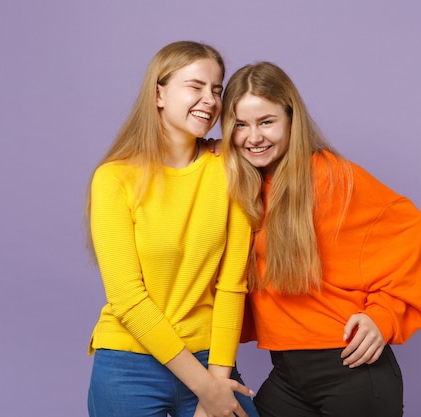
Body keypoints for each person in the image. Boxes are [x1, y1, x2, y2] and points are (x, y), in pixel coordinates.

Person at [220, 62, 421, 417]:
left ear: (291, 118)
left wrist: (384, 315)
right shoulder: (240, 186)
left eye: (266, 122)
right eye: (240, 125)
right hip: (289, 375)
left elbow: (408, 225)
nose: (253, 137)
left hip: (351, 373)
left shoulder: (331, 176)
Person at [85, 41, 258, 417]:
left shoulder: (230, 169)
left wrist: (215, 382)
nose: (210, 100)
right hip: (129, 363)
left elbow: (232, 285)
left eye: (216, 89)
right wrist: (205, 389)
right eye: (195, 86)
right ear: (159, 93)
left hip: (213, 359)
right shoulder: (114, 179)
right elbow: (127, 298)